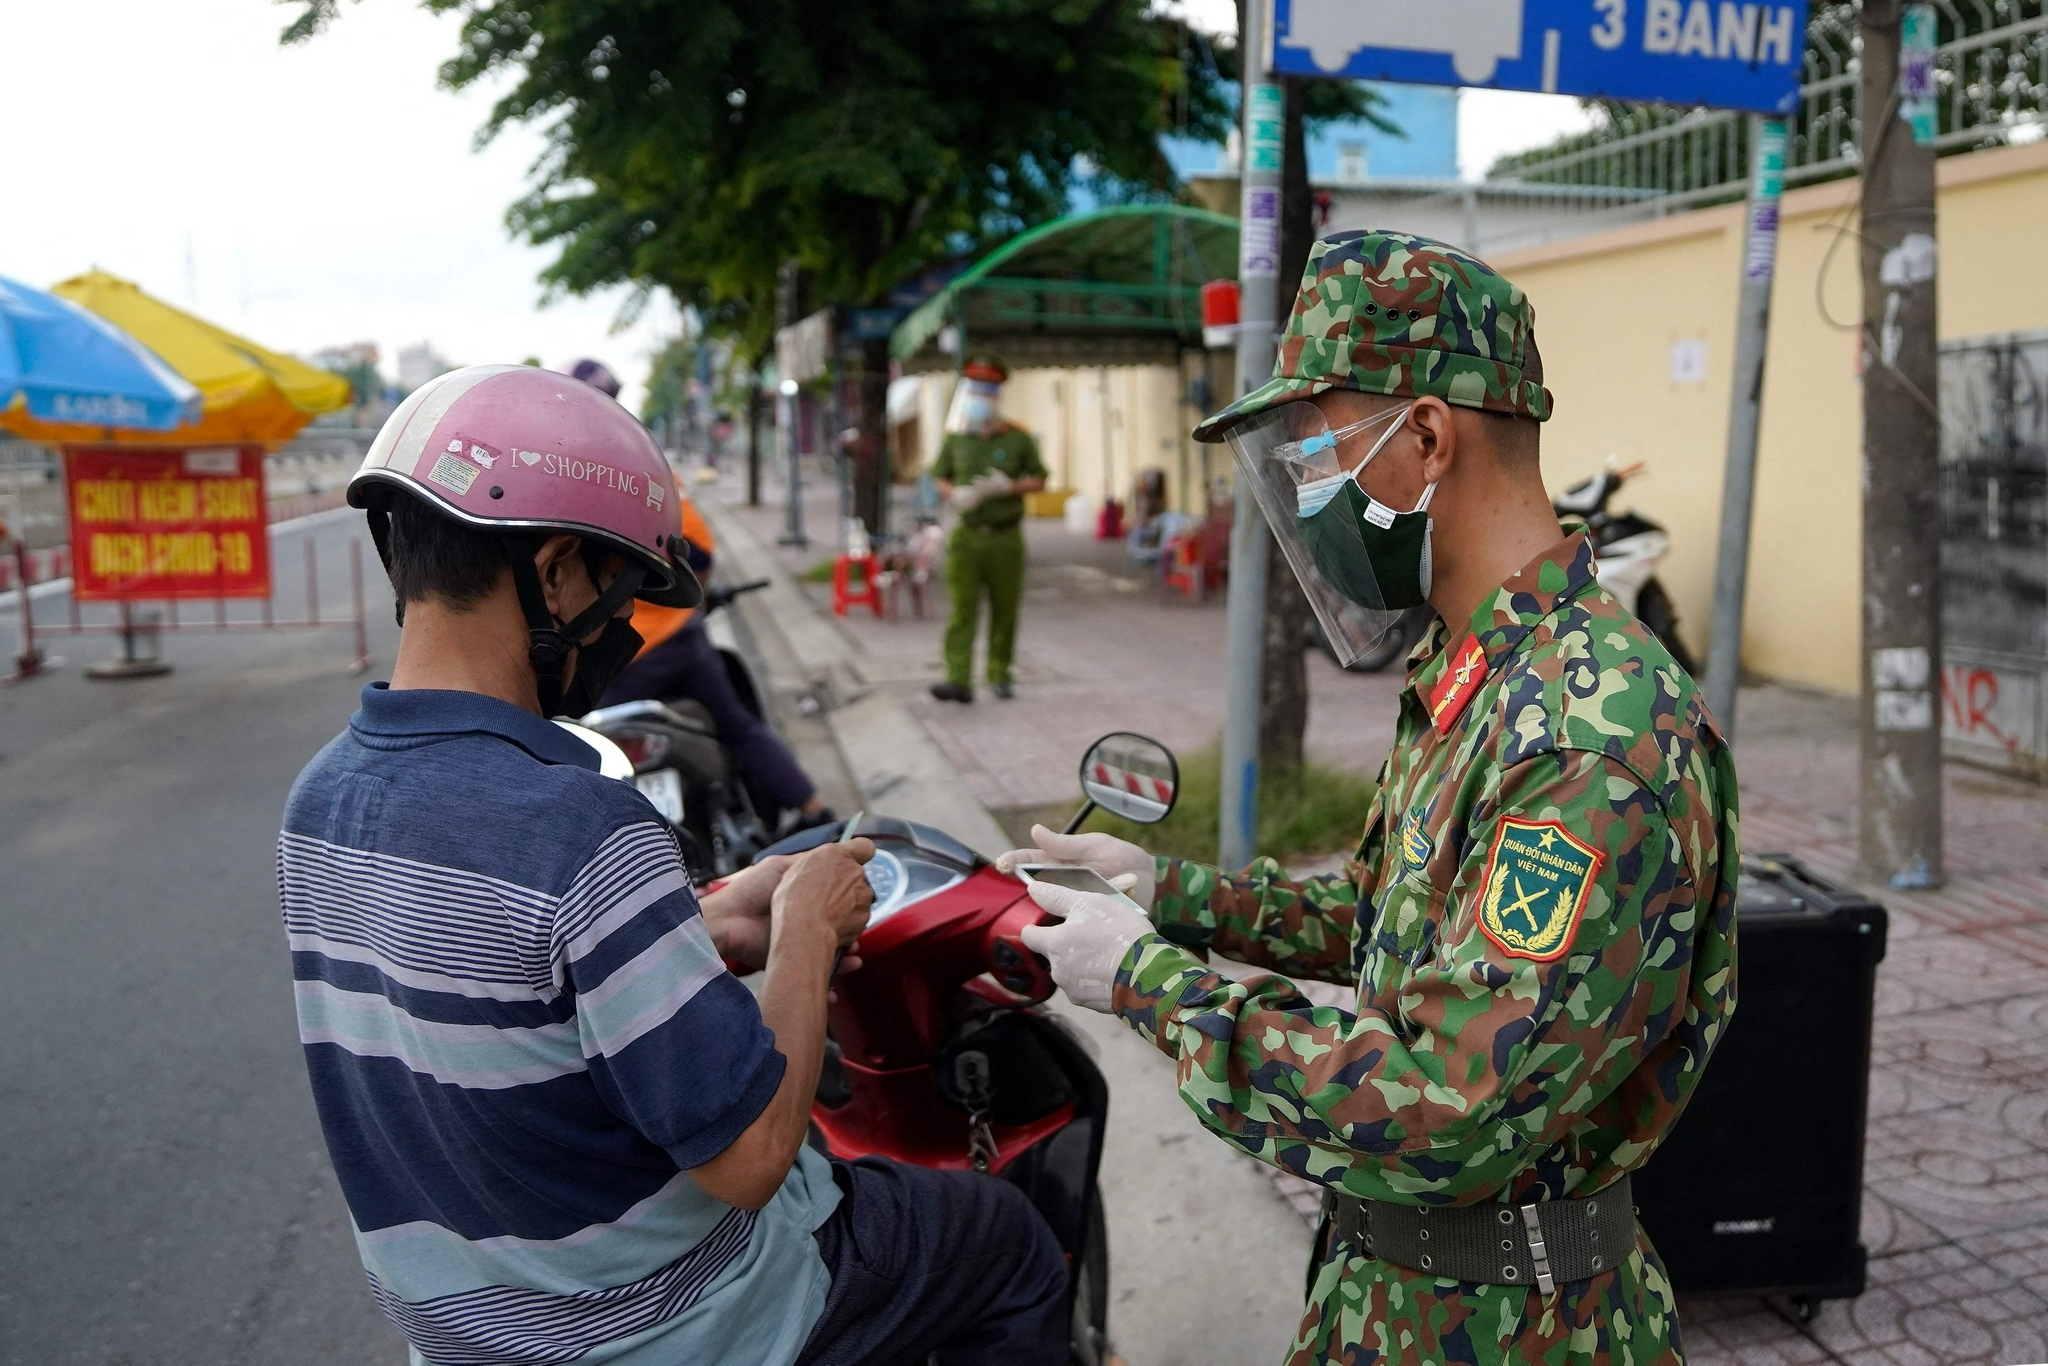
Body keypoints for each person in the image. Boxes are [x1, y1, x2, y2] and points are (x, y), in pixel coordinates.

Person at [999, 230, 1740, 1366]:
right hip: (1392, 1297)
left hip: (1511, 1328)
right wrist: (1167, 893)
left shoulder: (1588, 738)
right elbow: (1395, 922)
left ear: (1427, 437)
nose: (1303, 492)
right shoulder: (1482, 671)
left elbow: (1446, 1104)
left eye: (1316, 451)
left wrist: (1148, 980)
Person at [280, 363, 1067, 1366]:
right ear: (556, 569)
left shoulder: (319, 802)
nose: (622, 629)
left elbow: (498, 992)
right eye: (618, 594)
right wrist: (807, 934)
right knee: (1004, 1240)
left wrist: (704, 925)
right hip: (671, 1324)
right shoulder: (583, 827)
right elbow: (745, 1159)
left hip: (463, 1332)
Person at [563, 356, 830, 829]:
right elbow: (699, 555)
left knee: (579, 754)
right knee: (740, 727)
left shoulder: (557, 475)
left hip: (612, 661)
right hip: (682, 642)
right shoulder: (644, 463)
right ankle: (814, 812)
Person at [928, 356, 1046, 702]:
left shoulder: (1018, 439)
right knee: (962, 609)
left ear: (998, 396)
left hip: (1005, 535)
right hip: (967, 535)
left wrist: (1008, 487)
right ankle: (958, 679)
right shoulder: (955, 439)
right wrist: (956, 494)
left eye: (987, 391)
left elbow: (1040, 479)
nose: (981, 398)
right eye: (975, 390)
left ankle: (1000, 673)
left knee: (1004, 609)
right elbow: (939, 478)